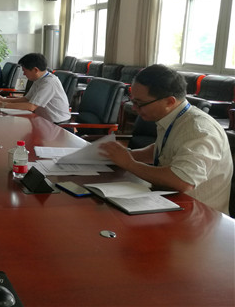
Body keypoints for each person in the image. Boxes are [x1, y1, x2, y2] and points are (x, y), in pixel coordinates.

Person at [99, 64, 232, 215]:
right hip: (170, 203)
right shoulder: (176, 117)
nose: (134, 108)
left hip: (198, 217)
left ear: (169, 102)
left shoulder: (198, 130)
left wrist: (129, 163)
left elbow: (182, 181)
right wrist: (123, 155)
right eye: (133, 101)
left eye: (140, 103)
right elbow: (163, 148)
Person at [0, 53, 71, 124]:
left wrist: (3, 105)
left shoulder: (49, 82)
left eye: (25, 71)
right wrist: (3, 99)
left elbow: (31, 106)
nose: (24, 74)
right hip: (43, 120)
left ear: (35, 70)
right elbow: (26, 99)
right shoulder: (39, 79)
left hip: (58, 124)